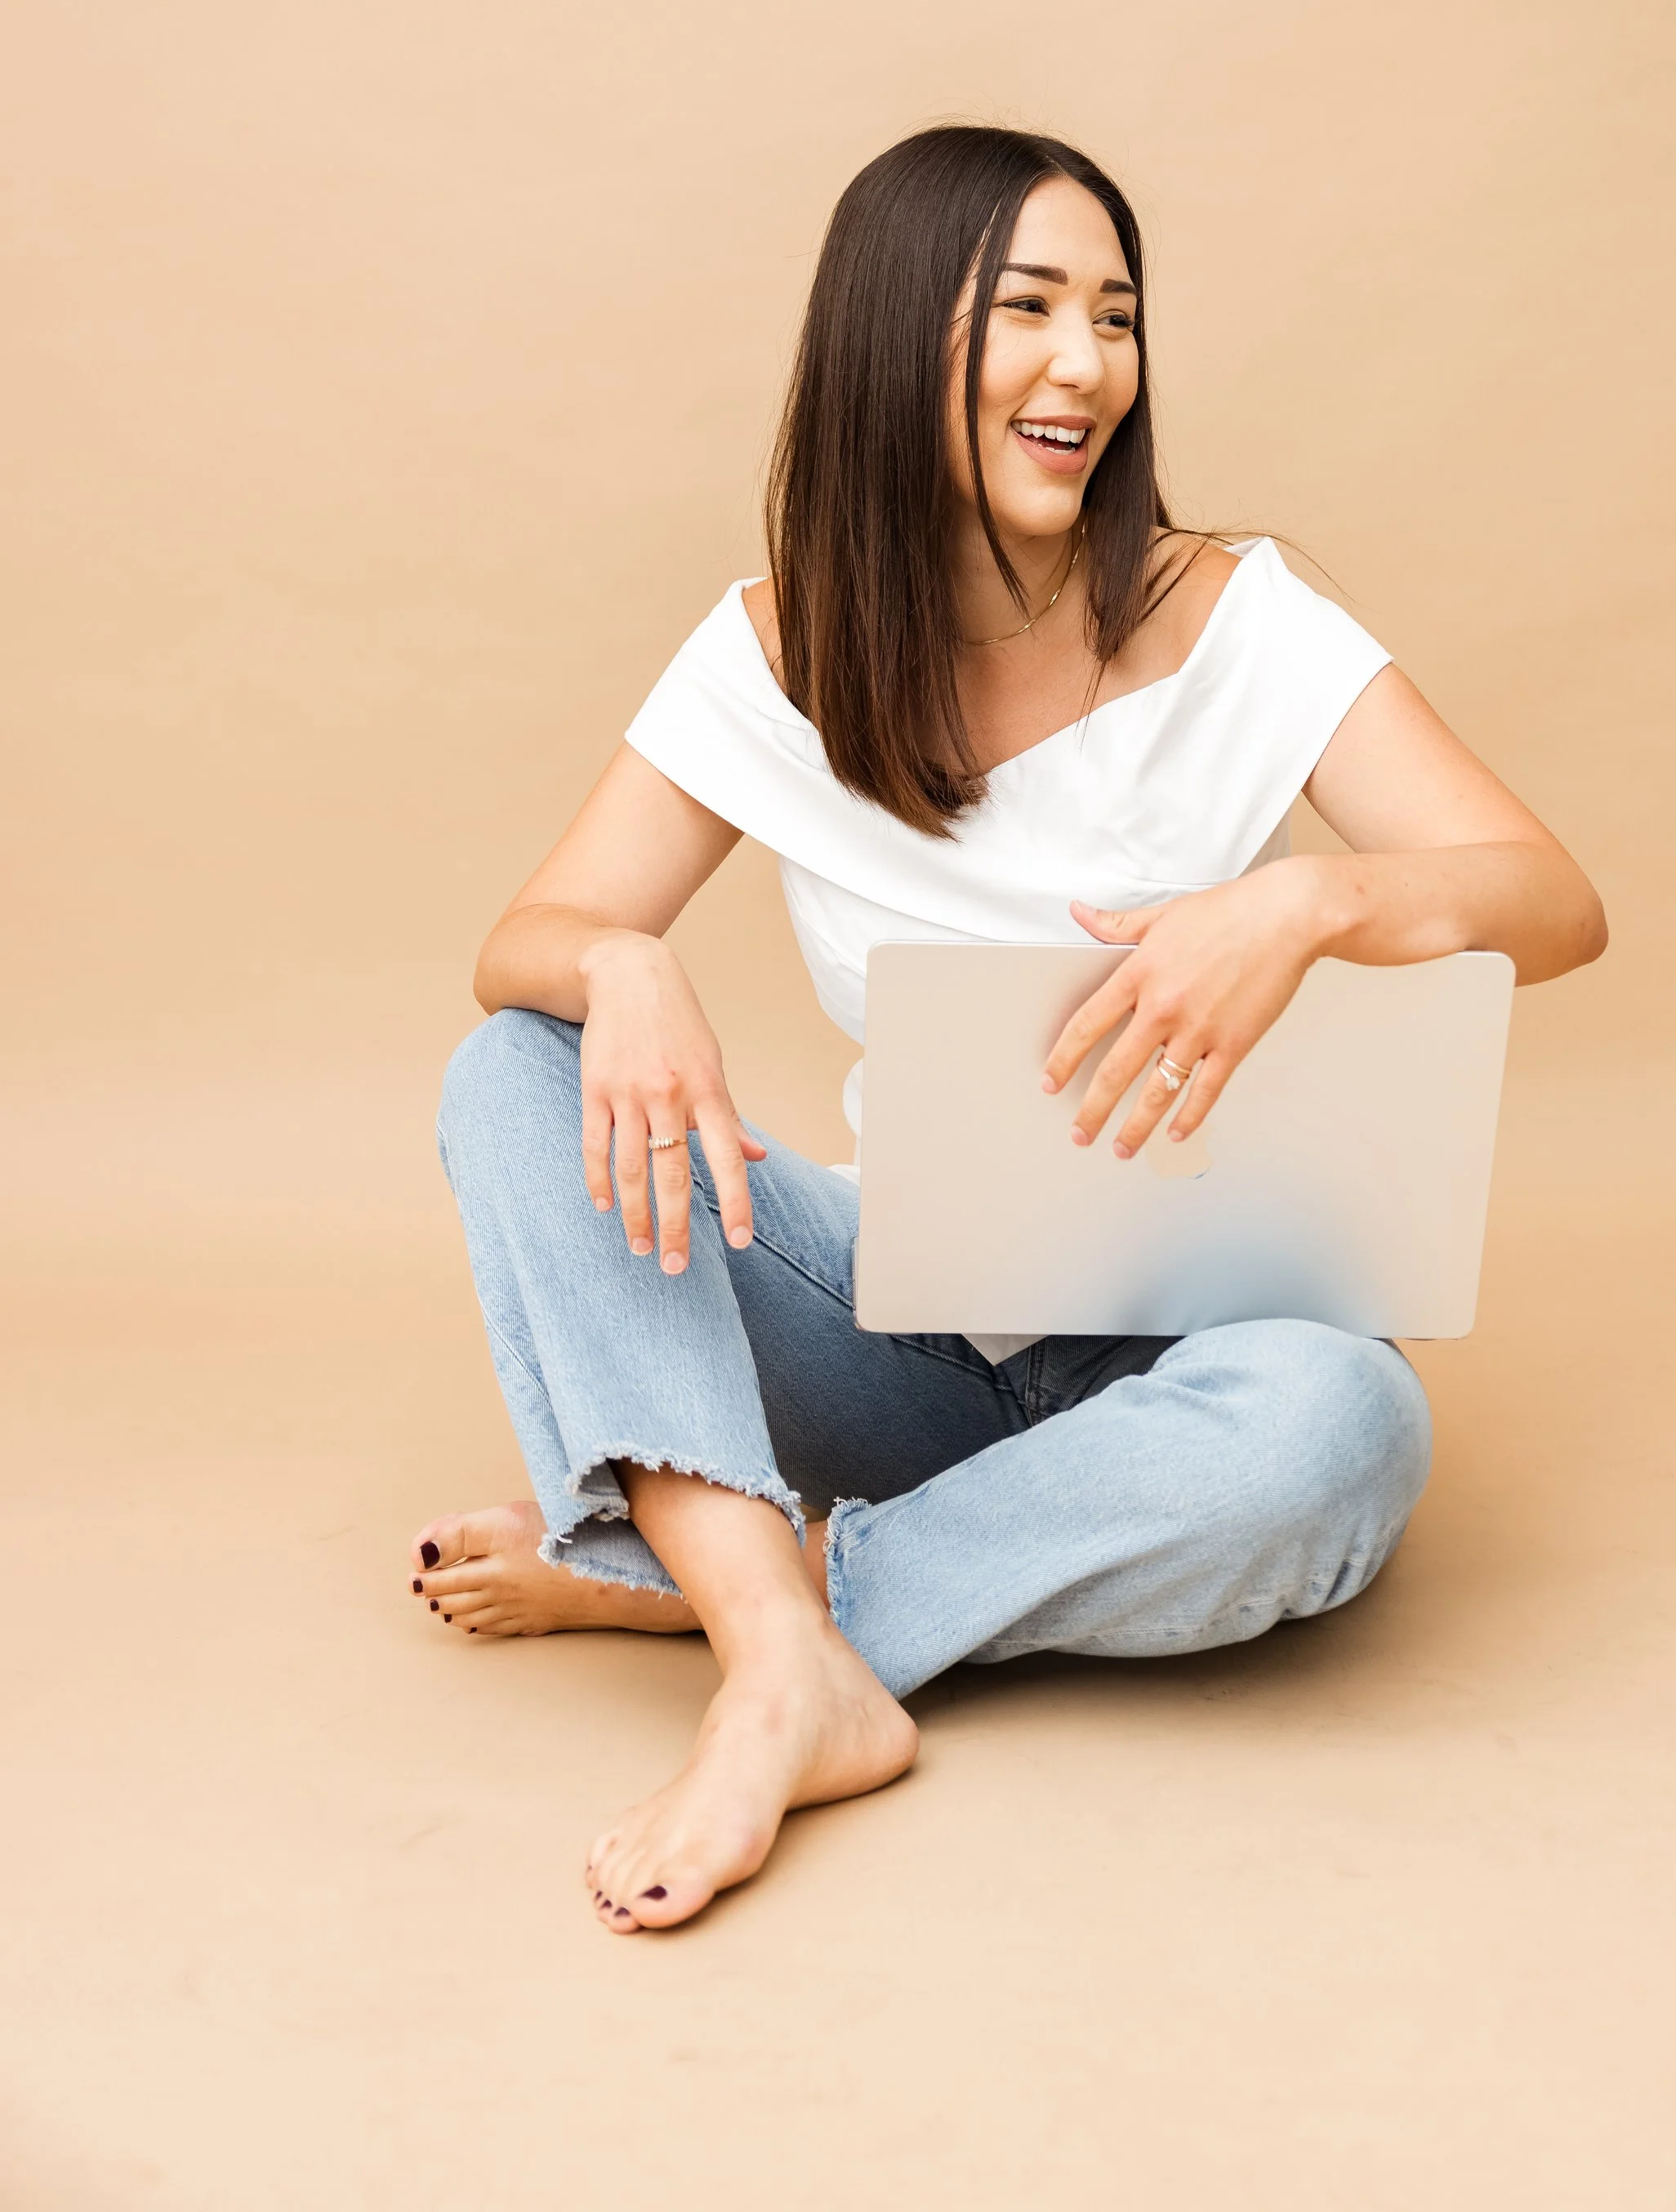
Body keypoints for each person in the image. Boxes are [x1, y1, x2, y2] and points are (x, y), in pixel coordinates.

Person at [412, 124, 1607, 1934]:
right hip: (892, 1312)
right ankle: (787, 1649)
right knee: (509, 1066)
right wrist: (622, 967)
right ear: (899, 339)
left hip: (1184, 1358)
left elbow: (1548, 896)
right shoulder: (777, 654)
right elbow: (529, 936)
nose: (1086, 365)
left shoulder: (1237, 618)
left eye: (1114, 315)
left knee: (1341, 1421)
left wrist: (1307, 900)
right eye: (1030, 308)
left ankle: (751, 1608)